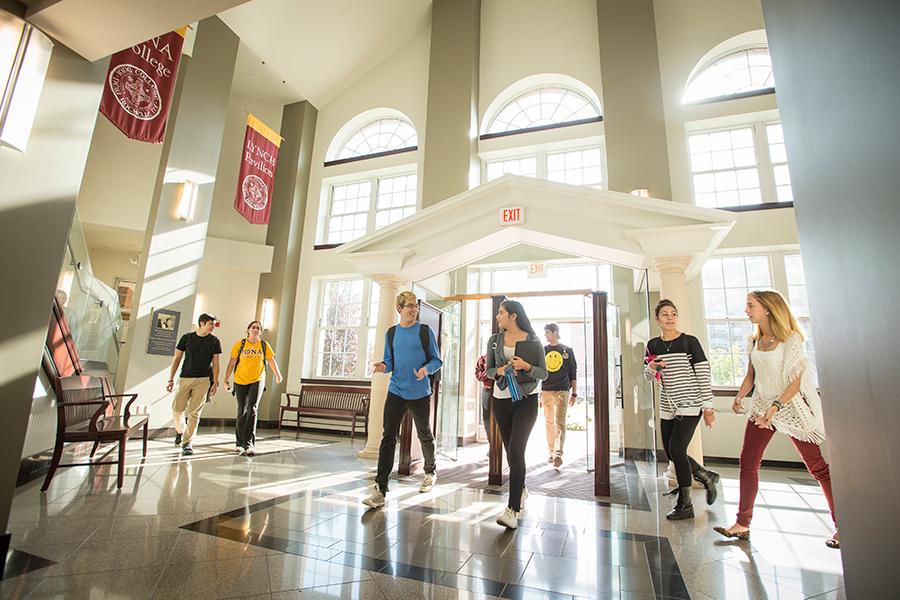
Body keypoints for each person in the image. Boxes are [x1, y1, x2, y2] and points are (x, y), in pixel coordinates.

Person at [714, 290, 838, 548]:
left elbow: (795, 381)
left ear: (768, 308)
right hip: (761, 407)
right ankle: (742, 524)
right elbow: (751, 376)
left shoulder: (791, 340)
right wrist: (739, 397)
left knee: (817, 467)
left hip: (789, 406)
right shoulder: (753, 341)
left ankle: (843, 527)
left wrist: (776, 406)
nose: (746, 310)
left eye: (750, 306)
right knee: (748, 461)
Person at [363, 291, 443, 509]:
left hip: (419, 392)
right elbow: (390, 361)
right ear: (399, 309)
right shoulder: (391, 333)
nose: (413, 309)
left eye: (415, 306)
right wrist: (383, 367)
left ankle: (430, 471)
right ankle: (380, 489)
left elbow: (438, 360)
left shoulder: (425, 332)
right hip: (396, 390)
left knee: (424, 433)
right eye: (409, 306)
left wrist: (426, 369)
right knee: (387, 437)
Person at [644, 299, 718, 520]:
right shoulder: (653, 345)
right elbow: (648, 376)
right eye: (664, 314)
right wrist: (652, 367)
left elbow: (703, 374)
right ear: (657, 319)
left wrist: (709, 407)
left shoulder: (689, 342)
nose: (670, 317)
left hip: (690, 403)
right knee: (672, 452)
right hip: (667, 404)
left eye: (673, 313)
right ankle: (705, 476)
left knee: (677, 449)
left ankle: (685, 505)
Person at [485, 300, 548, 529]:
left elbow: (544, 374)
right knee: (510, 451)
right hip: (501, 400)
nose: (497, 317)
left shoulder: (533, 341)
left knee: (516, 449)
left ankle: (512, 510)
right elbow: (488, 370)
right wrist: (500, 370)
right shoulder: (494, 341)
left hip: (526, 400)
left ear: (513, 316)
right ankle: (521, 489)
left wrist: (526, 367)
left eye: (500, 313)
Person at [223, 320, 284, 457]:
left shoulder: (264, 345)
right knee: (242, 410)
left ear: (260, 331)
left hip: (257, 380)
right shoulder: (240, 344)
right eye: (253, 327)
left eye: (258, 328)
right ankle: (239, 443)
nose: (256, 329)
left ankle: (249, 444)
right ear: (248, 330)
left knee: (252, 409)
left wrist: (278, 375)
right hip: (240, 380)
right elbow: (232, 362)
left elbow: (271, 361)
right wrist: (226, 379)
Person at [166, 313, 222, 456]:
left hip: (203, 380)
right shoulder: (187, 338)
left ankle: (187, 442)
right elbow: (177, 358)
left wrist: (215, 381)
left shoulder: (214, 341)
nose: (213, 327)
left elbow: (216, 363)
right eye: (211, 324)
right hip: (185, 378)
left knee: (194, 413)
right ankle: (180, 430)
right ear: (202, 323)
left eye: (214, 324)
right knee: (177, 410)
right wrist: (170, 379)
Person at [541, 323, 577, 468]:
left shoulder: (567, 350)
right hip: (546, 390)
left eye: (548, 332)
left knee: (560, 422)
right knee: (549, 422)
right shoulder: (543, 350)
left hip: (562, 390)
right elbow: (540, 371)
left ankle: (558, 453)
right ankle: (551, 452)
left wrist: (574, 393)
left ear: (555, 332)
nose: (545, 335)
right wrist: (539, 394)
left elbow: (573, 372)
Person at [475, 354, 493, 442]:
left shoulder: (503, 357)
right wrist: (488, 373)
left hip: (502, 392)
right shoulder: (483, 359)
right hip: (487, 391)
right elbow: (478, 375)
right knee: (486, 418)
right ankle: (491, 444)